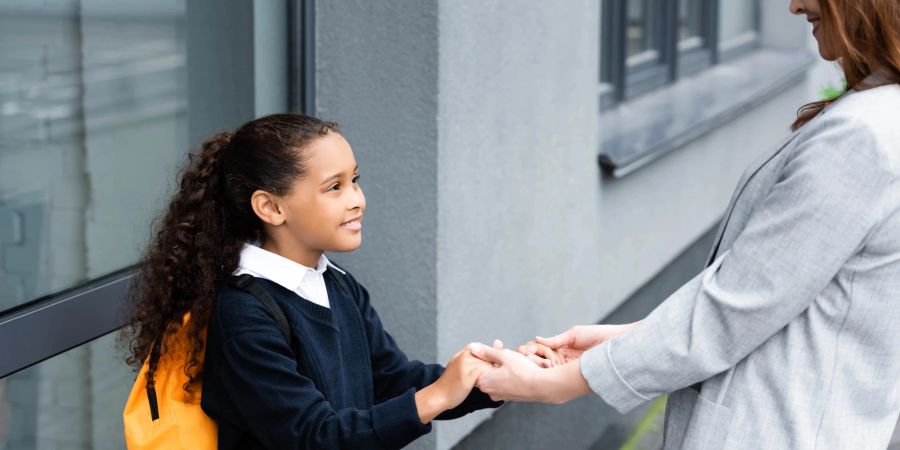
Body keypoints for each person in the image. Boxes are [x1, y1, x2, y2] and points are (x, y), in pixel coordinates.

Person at [470, 0, 900, 448]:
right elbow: (775, 298)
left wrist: (556, 384)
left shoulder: (863, 136)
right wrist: (621, 340)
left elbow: (737, 308)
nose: (794, 5)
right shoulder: (880, 116)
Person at [123, 114, 500, 449]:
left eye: (355, 180)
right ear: (271, 207)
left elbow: (392, 379)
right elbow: (313, 435)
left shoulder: (336, 283)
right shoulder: (242, 314)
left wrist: (498, 375)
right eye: (334, 187)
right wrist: (436, 397)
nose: (357, 199)